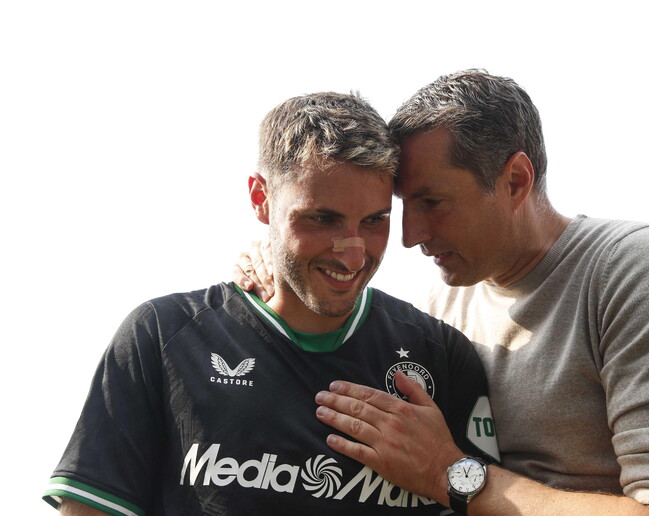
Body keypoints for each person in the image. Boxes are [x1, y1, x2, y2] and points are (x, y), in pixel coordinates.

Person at [236, 70, 649, 515]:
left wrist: (453, 474)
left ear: (514, 180)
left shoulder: (637, 269)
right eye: (400, 209)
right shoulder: (440, 311)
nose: (410, 235)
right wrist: (276, 273)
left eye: (433, 202)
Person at [43, 91, 500, 515]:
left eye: (374, 220)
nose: (354, 252)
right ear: (261, 199)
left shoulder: (442, 357)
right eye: (323, 218)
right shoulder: (160, 337)